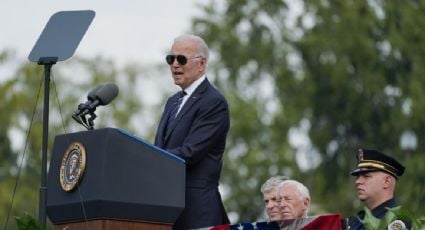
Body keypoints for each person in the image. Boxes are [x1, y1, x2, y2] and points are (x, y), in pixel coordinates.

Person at [154, 34, 230, 230]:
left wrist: (148, 159)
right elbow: (160, 147)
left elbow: (190, 153)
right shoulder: (172, 102)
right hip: (166, 210)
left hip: (197, 212)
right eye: (171, 59)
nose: (174, 65)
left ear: (201, 64)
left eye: (182, 59)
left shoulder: (213, 102)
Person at [348, 148, 409, 230]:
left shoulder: (397, 223)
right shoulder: (355, 221)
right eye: (358, 176)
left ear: (387, 181)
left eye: (366, 176)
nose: (358, 181)